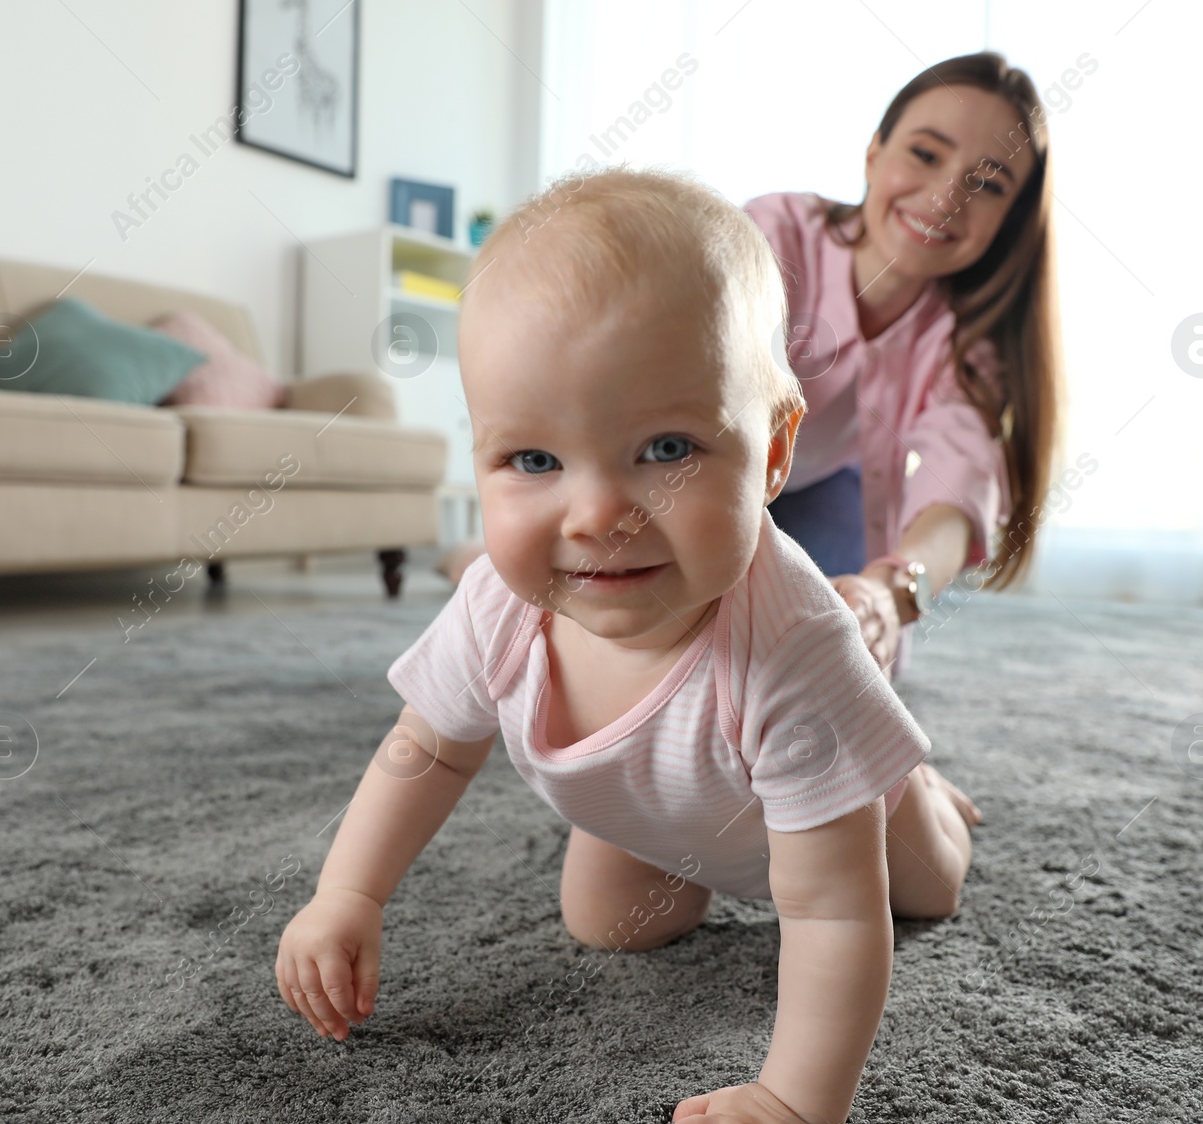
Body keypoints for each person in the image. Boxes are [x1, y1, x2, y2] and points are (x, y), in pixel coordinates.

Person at [277, 165, 975, 1124]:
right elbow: (427, 746)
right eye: (534, 460)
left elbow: (831, 913)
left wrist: (793, 1100)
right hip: (673, 812)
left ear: (773, 454)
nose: (597, 513)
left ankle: (919, 785)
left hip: (848, 822)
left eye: (666, 450)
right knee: (606, 925)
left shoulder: (791, 650)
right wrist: (346, 892)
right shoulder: (499, 603)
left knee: (922, 891)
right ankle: (676, 828)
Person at [439, 50, 1064, 684]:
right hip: (697, 466)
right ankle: (479, 564)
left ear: (1010, 220)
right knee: (620, 586)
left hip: (818, 482)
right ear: (874, 156)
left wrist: (892, 591)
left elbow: (956, 484)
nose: (945, 196)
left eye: (986, 184)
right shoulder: (775, 234)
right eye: (925, 155)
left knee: (816, 629)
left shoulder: (968, 339)